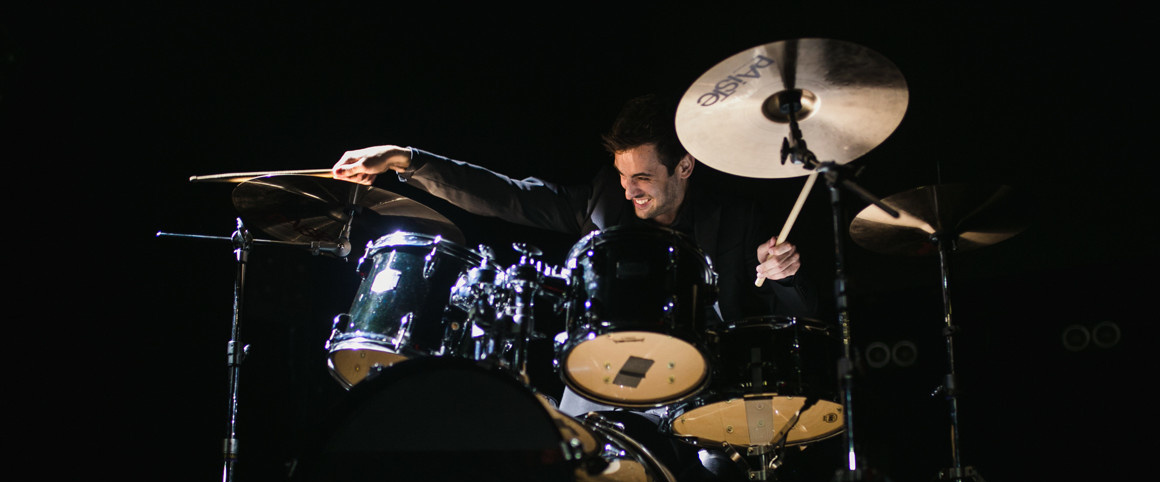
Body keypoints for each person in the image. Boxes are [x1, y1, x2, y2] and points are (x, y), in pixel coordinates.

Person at [331, 94, 822, 415]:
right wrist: (405, 159)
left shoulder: (736, 217)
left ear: (685, 167)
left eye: (643, 178)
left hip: (707, 383)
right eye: (623, 176)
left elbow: (798, 317)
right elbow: (508, 195)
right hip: (611, 369)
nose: (629, 191)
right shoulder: (603, 201)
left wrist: (784, 274)